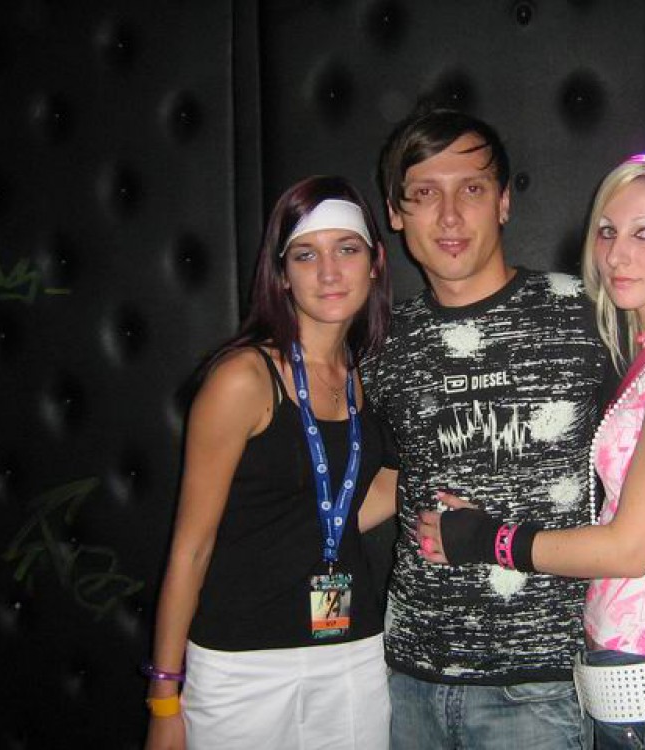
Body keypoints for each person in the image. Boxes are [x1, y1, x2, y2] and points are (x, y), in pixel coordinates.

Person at [362, 107, 645, 749]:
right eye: (424, 193)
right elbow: (389, 479)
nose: (449, 216)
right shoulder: (384, 343)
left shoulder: (593, 316)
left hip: (545, 684)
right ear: (395, 212)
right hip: (412, 670)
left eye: (471, 189)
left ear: (504, 201)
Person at [143, 176, 397, 750]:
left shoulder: (368, 376)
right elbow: (190, 548)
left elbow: (341, 510)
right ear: (281, 273)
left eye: (347, 249)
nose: (328, 272)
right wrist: (164, 698)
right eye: (306, 255)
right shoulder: (243, 379)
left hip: (351, 657)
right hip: (242, 666)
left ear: (375, 262)